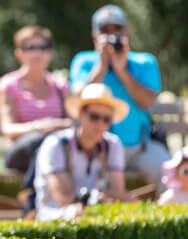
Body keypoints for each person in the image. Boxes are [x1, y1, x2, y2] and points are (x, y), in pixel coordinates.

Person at [69, 4, 169, 189]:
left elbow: (147, 102)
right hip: (96, 149)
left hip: (140, 148)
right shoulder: (84, 61)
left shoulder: (145, 62)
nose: (111, 35)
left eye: (117, 29)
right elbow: (77, 102)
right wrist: (101, 67)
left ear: (127, 31)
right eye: (105, 30)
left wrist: (122, 70)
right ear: (94, 35)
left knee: (171, 176)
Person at [34, 83, 132, 221]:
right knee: (73, 213)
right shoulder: (55, 145)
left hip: (92, 216)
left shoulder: (113, 144)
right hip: (54, 218)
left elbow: (118, 192)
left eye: (106, 119)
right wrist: (99, 198)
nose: (100, 125)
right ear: (81, 114)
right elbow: (64, 198)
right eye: (94, 117)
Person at [0, 25, 72, 173]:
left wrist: (56, 125)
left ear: (50, 53)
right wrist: (41, 126)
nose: (37, 52)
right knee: (39, 140)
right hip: (23, 155)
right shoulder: (9, 84)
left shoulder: (60, 85)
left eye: (43, 47)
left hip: (57, 152)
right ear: (19, 53)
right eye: (30, 47)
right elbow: (8, 129)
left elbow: (73, 122)